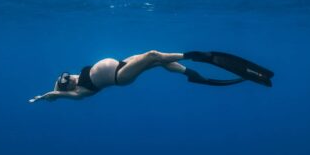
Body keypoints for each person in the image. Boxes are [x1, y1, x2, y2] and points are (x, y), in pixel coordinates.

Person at [29, 50, 274, 102]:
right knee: (153, 55)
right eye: (65, 82)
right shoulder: (78, 92)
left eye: (65, 77)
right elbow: (55, 94)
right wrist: (44, 96)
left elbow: (58, 85)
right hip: (119, 77)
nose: (68, 78)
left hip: (121, 63)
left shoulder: (72, 77)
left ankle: (193, 74)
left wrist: (57, 84)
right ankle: (197, 57)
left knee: (158, 62)